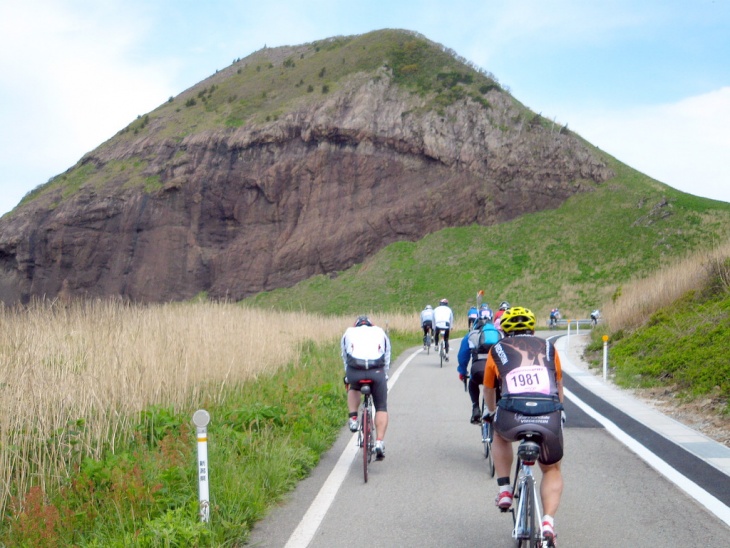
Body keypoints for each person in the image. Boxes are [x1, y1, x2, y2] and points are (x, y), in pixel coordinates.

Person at [482, 306, 565, 544]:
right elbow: (558, 385)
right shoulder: (550, 348)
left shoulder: (496, 349)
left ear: (504, 331)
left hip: (511, 414)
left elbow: (488, 389)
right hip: (547, 415)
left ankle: (505, 489)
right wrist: (560, 411)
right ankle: (547, 522)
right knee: (551, 469)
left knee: (499, 434)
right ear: (533, 328)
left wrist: (490, 412)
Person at [342, 315, 391, 460]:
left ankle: (353, 418)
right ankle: (379, 442)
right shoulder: (380, 332)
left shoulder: (348, 332)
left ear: (356, 325)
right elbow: (387, 355)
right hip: (376, 371)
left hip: (355, 371)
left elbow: (345, 356)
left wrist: (348, 375)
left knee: (353, 387)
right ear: (371, 325)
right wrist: (385, 374)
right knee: (381, 407)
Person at [457, 317, 502, 423]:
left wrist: (462, 372)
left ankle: (476, 408)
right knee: (498, 386)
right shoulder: (501, 334)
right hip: (496, 371)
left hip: (478, 369)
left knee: (473, 382)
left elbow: (462, 357)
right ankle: (499, 410)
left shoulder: (471, 335)